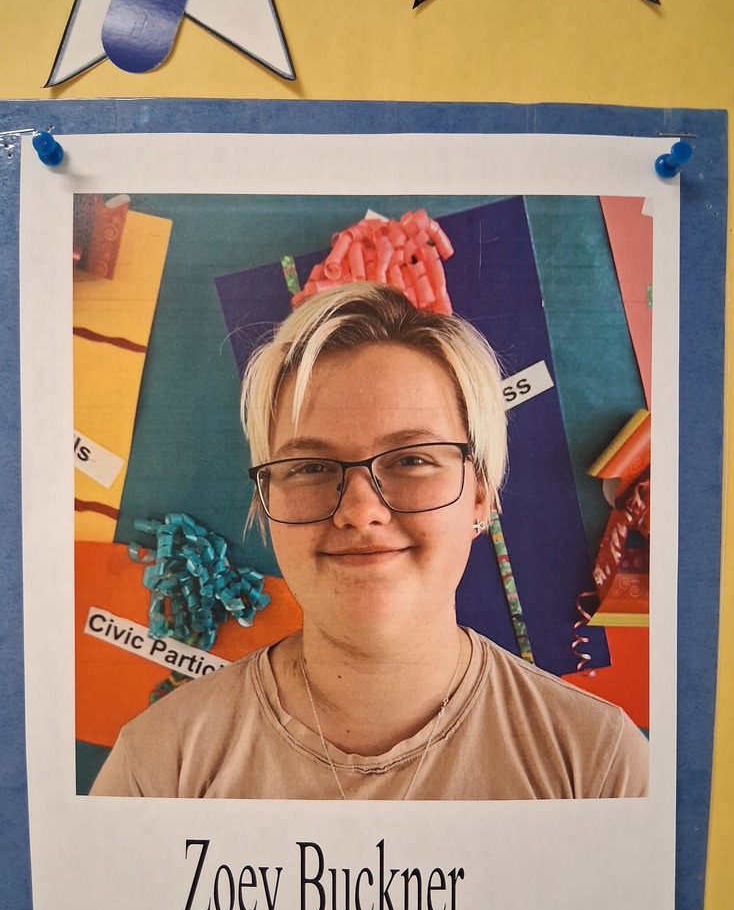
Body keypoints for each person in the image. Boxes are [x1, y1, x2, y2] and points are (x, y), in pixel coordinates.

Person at [91, 282, 648, 799]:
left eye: (412, 460)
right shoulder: (161, 768)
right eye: (309, 467)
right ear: (266, 501)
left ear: (481, 494)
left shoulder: (597, 767)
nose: (360, 511)